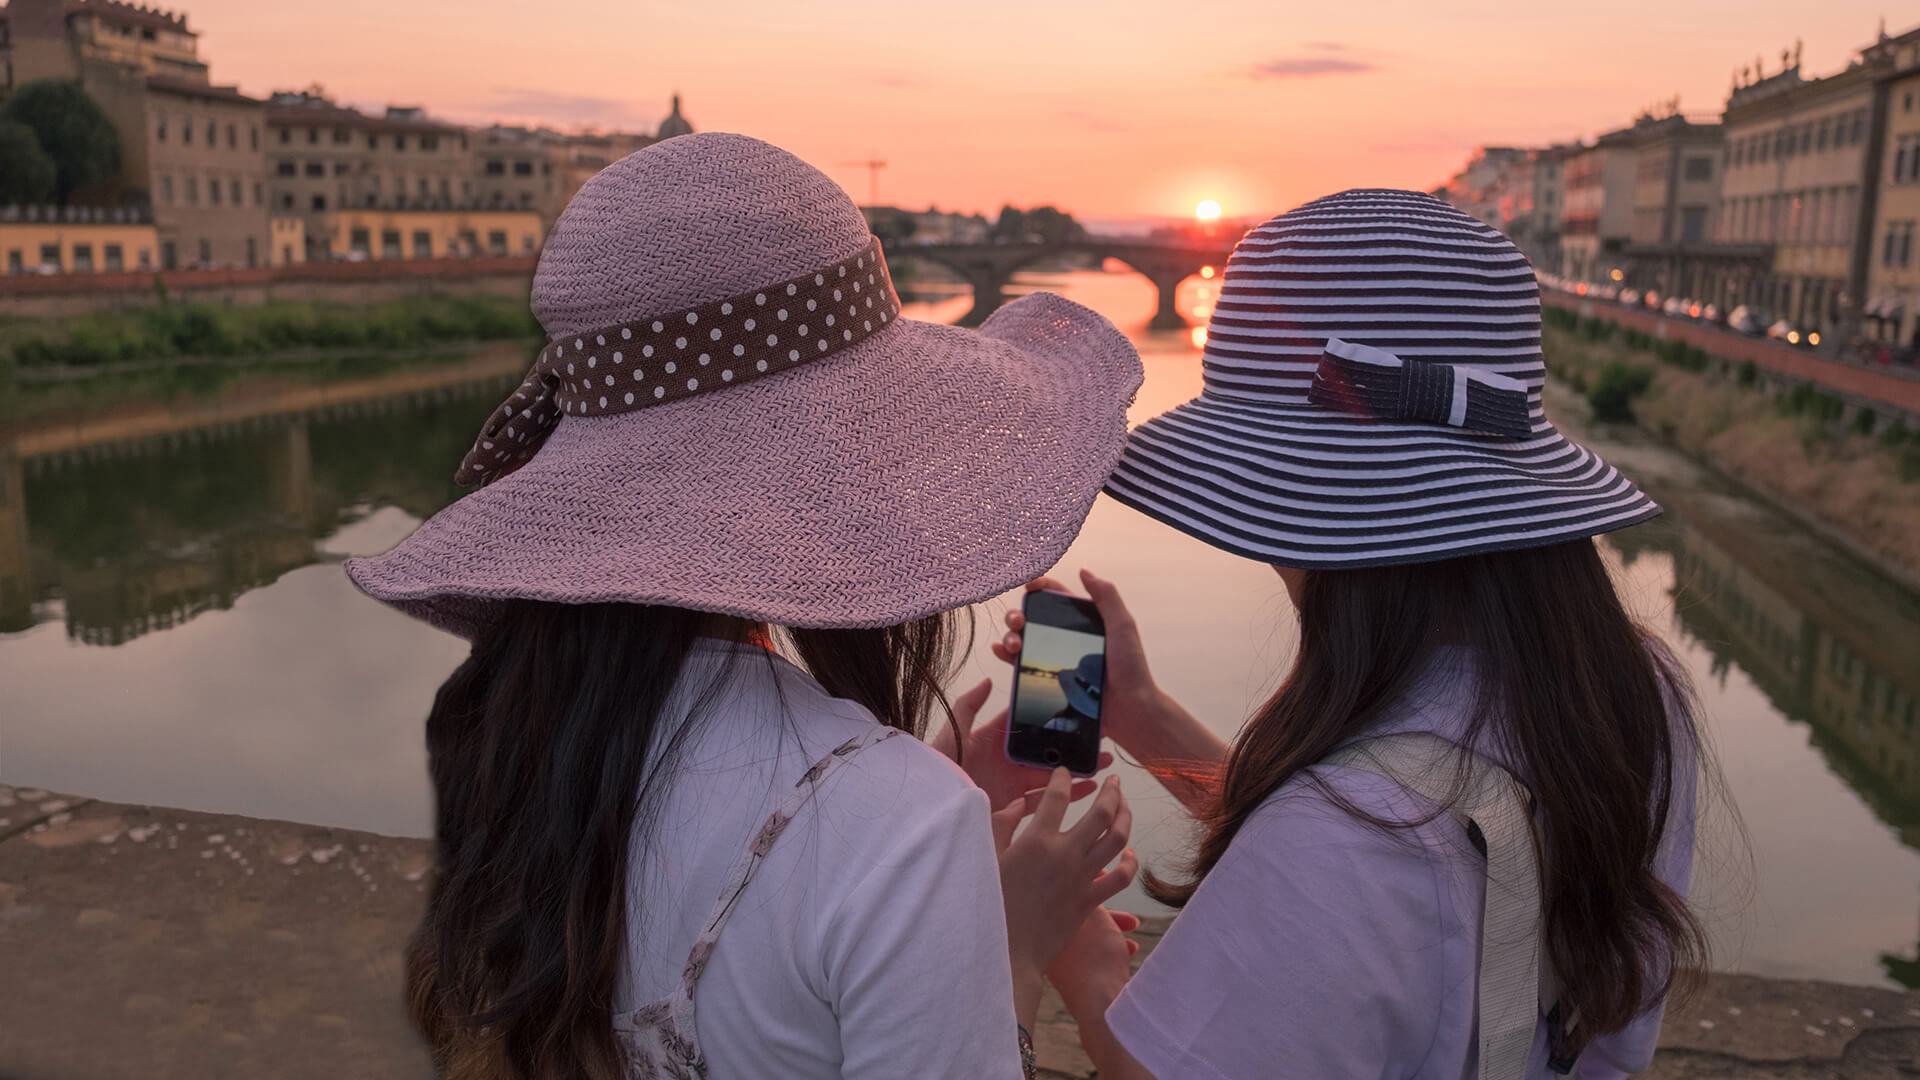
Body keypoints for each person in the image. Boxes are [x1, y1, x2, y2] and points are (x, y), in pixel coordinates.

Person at [345, 133, 1145, 1080]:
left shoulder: (511, 726)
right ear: (875, 454)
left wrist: (880, 796)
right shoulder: (905, 829)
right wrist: (1004, 942)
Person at [997, 190, 1708, 1079]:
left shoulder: (1336, 847)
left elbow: (1354, 861)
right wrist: (1142, 716)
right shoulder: (1636, 689)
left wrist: (1065, 958)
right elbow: (1439, 862)